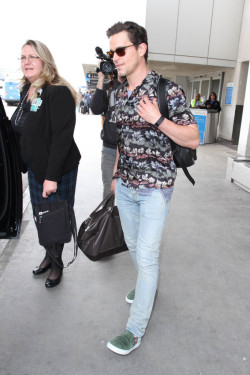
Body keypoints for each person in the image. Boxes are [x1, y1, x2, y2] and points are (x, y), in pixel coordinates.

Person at [105, 21, 200, 355]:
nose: (114, 57)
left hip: (156, 187)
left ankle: (134, 330)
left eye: (121, 49)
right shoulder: (117, 93)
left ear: (141, 48)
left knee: (146, 257)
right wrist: (115, 176)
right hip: (127, 186)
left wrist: (158, 119)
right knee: (133, 246)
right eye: (111, 50)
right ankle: (147, 284)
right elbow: (121, 140)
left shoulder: (167, 89)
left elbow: (193, 138)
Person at [11, 40, 81, 288]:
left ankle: (57, 263)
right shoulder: (28, 91)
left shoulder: (56, 91)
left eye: (32, 56)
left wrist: (52, 177)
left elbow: (62, 137)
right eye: (22, 57)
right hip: (35, 167)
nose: (26, 62)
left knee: (55, 216)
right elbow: (23, 129)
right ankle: (48, 255)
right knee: (43, 216)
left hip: (57, 168)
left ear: (45, 60)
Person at [90, 70, 126, 198]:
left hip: (131, 151)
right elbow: (95, 108)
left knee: (130, 196)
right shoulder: (108, 87)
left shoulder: (136, 87)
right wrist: (100, 78)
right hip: (109, 150)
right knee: (109, 191)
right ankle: (108, 218)